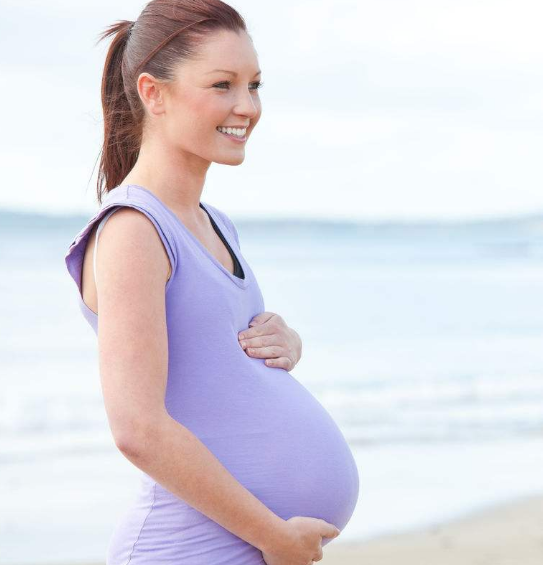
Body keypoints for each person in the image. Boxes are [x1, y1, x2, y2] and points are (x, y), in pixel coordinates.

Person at [62, 2, 359, 564]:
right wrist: (273, 535)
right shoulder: (133, 231)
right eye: (223, 85)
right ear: (154, 94)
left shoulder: (214, 223)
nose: (246, 107)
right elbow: (138, 429)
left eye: (254, 85)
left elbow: (216, 369)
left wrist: (283, 344)